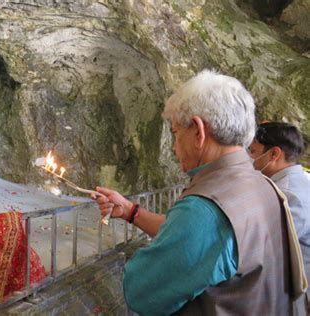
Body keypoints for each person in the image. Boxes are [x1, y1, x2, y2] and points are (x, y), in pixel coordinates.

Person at [93, 69, 305, 315]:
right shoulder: (263, 185)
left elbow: (142, 292)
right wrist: (131, 211)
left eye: (175, 133)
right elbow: (202, 242)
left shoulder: (205, 208)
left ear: (198, 131)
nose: (174, 147)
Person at [248, 122, 310, 314]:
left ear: (274, 154)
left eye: (253, 151)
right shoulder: (297, 182)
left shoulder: (290, 195)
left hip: (292, 296)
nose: (250, 157)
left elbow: (266, 246)